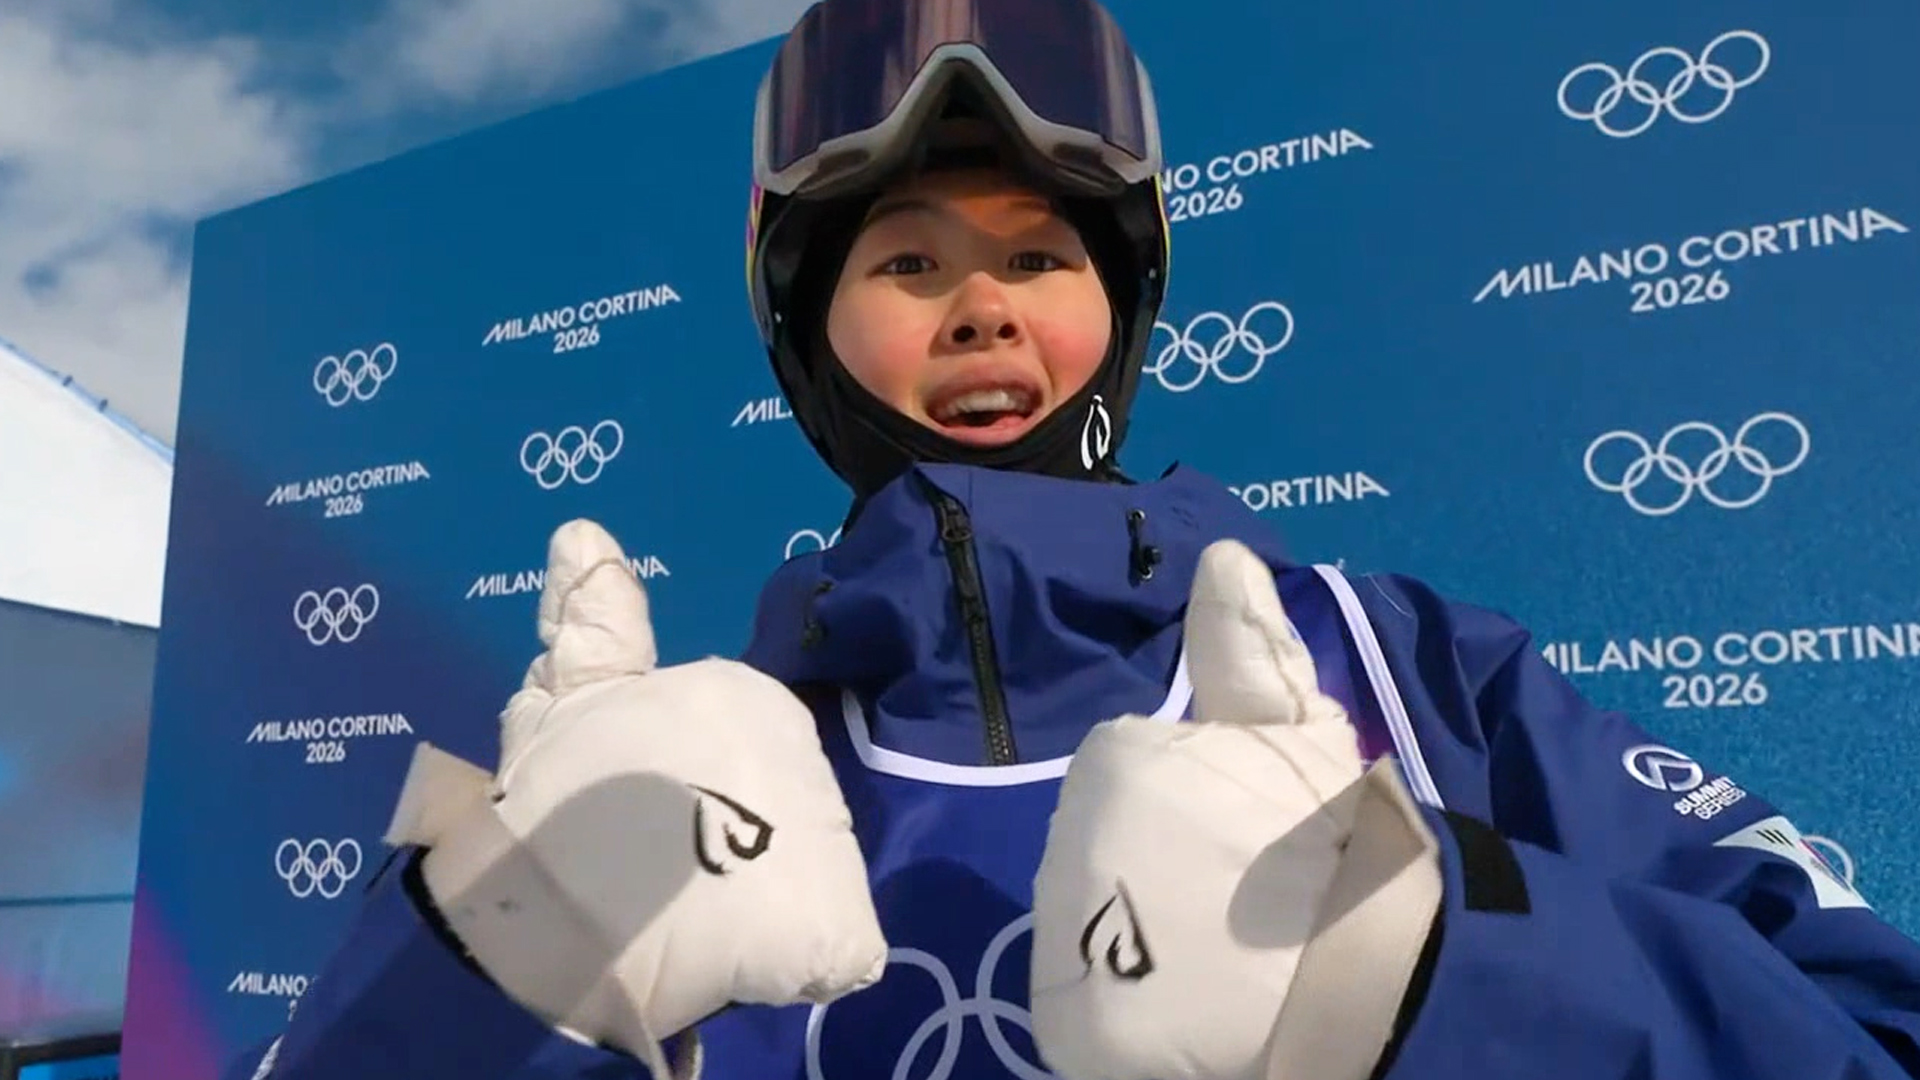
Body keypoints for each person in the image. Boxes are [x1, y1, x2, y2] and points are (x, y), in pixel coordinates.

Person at [232, 0, 1920, 1076]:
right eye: (906, 263)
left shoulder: (1401, 670)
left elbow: (1868, 1031)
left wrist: (1437, 973)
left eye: (1040, 258)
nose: (979, 306)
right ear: (810, 337)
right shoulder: (698, 765)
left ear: (1121, 313)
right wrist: (483, 958)